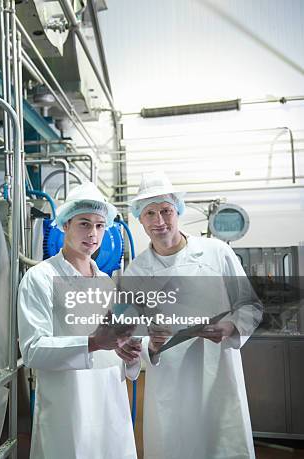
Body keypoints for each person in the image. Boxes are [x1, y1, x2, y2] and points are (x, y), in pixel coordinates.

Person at [124, 171, 261, 459]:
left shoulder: (215, 252)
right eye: (150, 213)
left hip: (218, 375)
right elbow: (132, 335)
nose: (159, 221)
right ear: (140, 219)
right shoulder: (135, 273)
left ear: (178, 211)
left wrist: (230, 327)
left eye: (165, 211)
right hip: (171, 384)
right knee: (176, 447)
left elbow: (250, 305)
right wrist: (151, 346)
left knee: (222, 445)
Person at [18, 182, 142, 459]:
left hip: (111, 406)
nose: (93, 234)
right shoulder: (40, 278)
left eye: (99, 225)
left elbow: (117, 353)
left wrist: (130, 355)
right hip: (68, 411)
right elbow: (32, 351)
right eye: (84, 224)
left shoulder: (106, 284)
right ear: (65, 225)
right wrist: (93, 343)